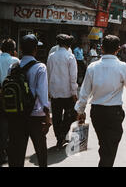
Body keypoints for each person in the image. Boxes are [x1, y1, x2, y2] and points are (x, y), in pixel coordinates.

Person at [75, 35, 126, 167]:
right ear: (118, 49)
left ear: (102, 49)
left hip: (97, 112)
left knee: (105, 145)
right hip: (114, 113)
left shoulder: (92, 67)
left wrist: (80, 110)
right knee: (109, 148)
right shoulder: (122, 67)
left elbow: (84, 93)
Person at [7, 34, 51, 167]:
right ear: (35, 49)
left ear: (20, 49)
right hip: (35, 115)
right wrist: (47, 116)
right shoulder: (40, 67)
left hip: (17, 114)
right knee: (41, 151)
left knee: (17, 153)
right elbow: (43, 95)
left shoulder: (13, 67)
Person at [47, 34, 78, 150]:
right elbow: (73, 77)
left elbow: (48, 74)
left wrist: (49, 91)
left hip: (55, 92)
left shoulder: (51, 56)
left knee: (56, 116)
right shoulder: (70, 57)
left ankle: (59, 138)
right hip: (68, 93)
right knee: (71, 115)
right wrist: (74, 92)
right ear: (69, 45)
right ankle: (62, 135)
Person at [0, 39, 20, 164]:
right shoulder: (15, 61)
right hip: (9, 96)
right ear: (13, 50)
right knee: (7, 124)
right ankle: (5, 151)